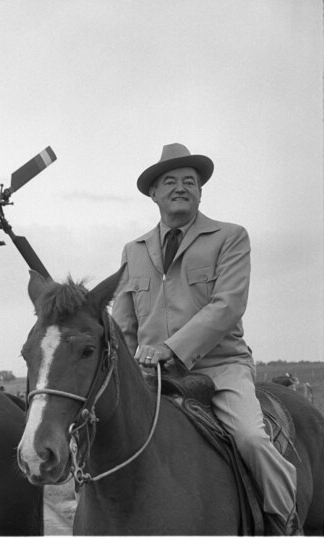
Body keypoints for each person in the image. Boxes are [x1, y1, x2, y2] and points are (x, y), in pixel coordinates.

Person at [111, 143, 299, 535]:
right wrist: (125, 372)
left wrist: (171, 349)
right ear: (154, 193)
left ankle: (285, 523)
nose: (181, 188)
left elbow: (227, 305)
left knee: (251, 440)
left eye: (190, 182)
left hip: (220, 368)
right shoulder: (134, 250)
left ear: (200, 191)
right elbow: (125, 324)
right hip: (151, 375)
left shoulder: (230, 237)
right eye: (171, 182)